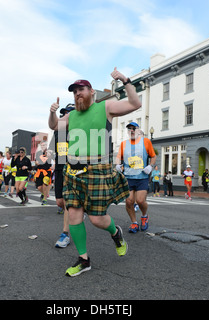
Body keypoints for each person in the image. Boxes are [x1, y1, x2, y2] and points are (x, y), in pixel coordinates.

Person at [49, 68, 141, 277]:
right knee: (73, 215)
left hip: (98, 171)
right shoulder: (71, 115)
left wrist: (125, 80)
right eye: (74, 91)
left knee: (97, 220)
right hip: (73, 171)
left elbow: (135, 104)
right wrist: (52, 112)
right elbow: (55, 126)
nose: (77, 93)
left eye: (81, 89)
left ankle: (115, 232)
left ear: (92, 92)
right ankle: (84, 259)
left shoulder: (105, 107)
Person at [116, 121, 156, 233]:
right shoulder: (124, 144)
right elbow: (119, 157)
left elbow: (153, 156)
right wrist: (118, 165)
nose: (132, 130)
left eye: (134, 128)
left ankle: (144, 216)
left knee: (140, 201)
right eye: (129, 129)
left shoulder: (146, 142)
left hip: (142, 176)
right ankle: (134, 223)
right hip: (128, 176)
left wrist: (150, 166)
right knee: (129, 201)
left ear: (138, 130)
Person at [50, 104, 75, 248]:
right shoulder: (58, 130)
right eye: (63, 113)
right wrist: (52, 158)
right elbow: (53, 148)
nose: (64, 116)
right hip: (59, 167)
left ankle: (65, 234)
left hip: (73, 166)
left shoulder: (78, 129)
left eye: (68, 113)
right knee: (60, 201)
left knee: (67, 201)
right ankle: (76, 211)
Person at [34, 141, 53, 205]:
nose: (43, 147)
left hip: (47, 171)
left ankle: (45, 199)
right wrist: (36, 163)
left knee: (45, 184)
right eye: (41, 145)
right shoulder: (38, 153)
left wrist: (53, 166)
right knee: (39, 187)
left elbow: (54, 160)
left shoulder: (49, 152)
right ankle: (43, 193)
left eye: (44, 145)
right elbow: (36, 161)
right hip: (39, 171)